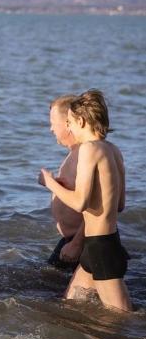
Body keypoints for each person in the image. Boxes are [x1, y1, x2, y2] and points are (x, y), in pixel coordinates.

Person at [39, 89, 131, 311]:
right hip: (101, 243)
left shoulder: (89, 149)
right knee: (69, 305)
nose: (68, 127)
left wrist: (49, 183)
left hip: (101, 247)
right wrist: (72, 188)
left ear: (81, 120)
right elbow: (119, 203)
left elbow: (80, 203)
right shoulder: (112, 149)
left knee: (124, 315)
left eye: (69, 122)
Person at [45, 95, 83, 270]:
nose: (51, 128)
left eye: (53, 122)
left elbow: (98, 209)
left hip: (80, 240)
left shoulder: (84, 155)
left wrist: (76, 243)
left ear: (68, 123)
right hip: (71, 239)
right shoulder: (74, 153)